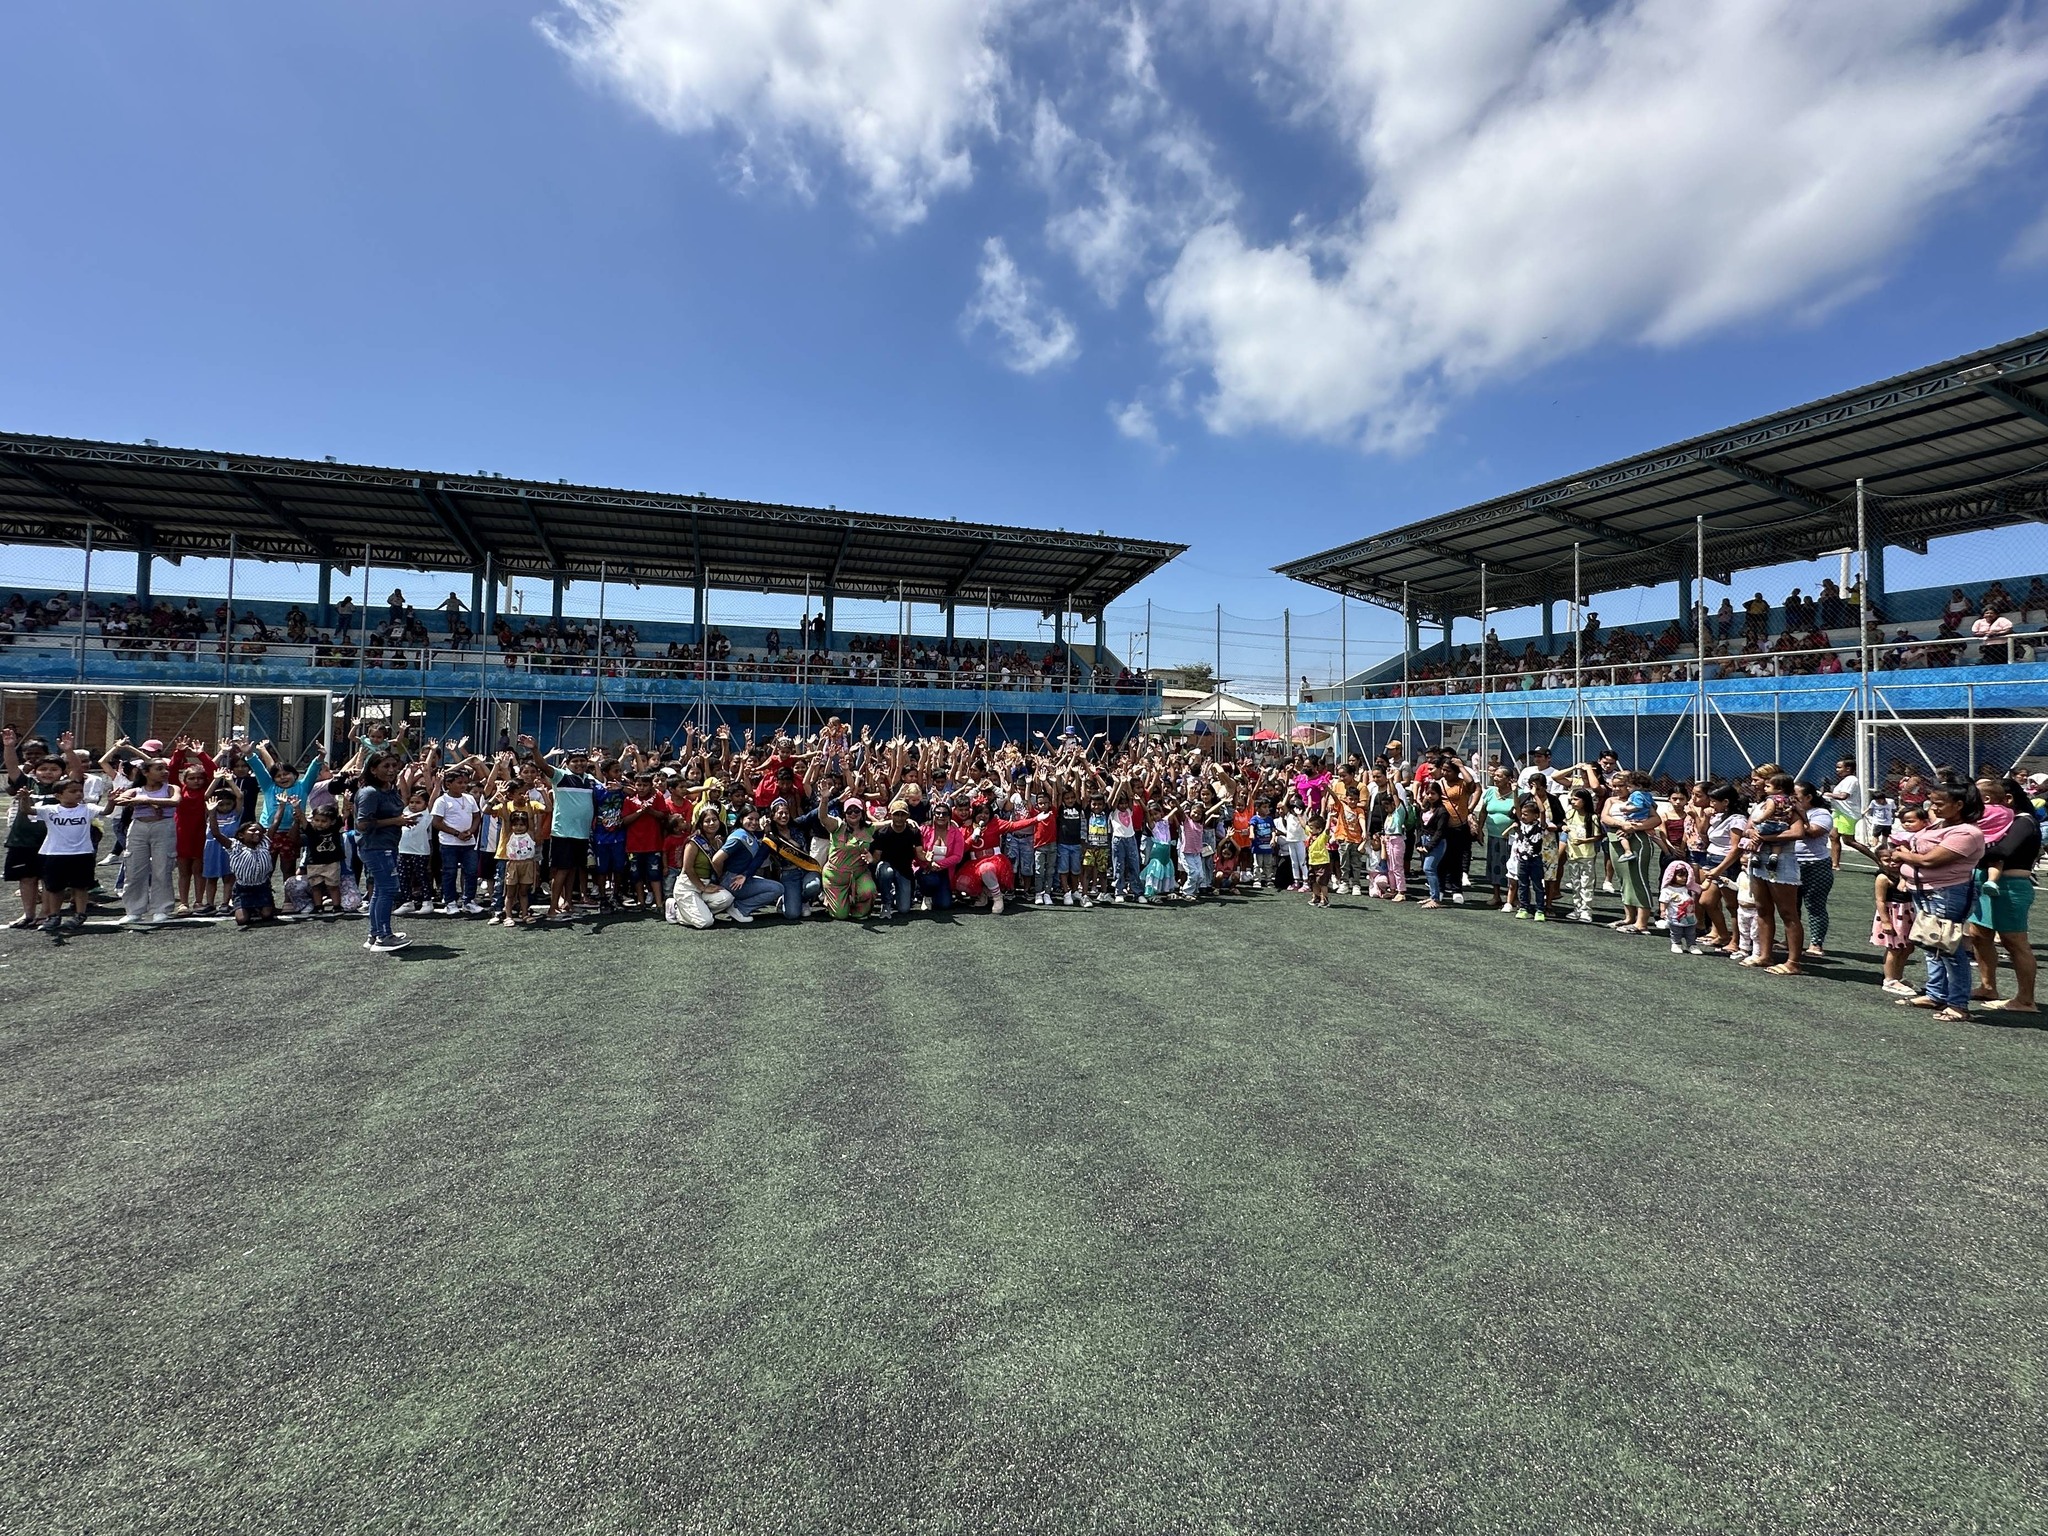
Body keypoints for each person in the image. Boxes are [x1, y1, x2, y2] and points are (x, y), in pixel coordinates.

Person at [1882, 782, 1985, 1023]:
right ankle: (1936, 994)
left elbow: (1930, 860)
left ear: (1959, 805)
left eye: (1939, 803)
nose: (1933, 807)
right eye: (1932, 803)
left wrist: (1902, 855)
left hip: (1946, 893)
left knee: (1948, 948)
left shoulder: (1967, 833)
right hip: (1924, 891)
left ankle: (1958, 1004)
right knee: (1931, 944)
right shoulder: (1940, 825)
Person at [1968, 774, 2038, 1015]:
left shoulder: (2024, 821)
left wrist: (1964, 848)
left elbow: (2003, 850)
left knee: (2014, 941)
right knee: (1978, 934)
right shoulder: (1989, 821)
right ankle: (1988, 987)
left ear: (2007, 798)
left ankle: (2025, 1000)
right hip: (1984, 883)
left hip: (2010, 886)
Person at [18, 775, 94, 937]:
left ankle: (80, 914)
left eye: (80, 791)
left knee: (80, 886)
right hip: (54, 854)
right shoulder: (50, 810)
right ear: (58, 795)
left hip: (82, 853)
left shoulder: (87, 809)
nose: (78, 794)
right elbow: (27, 810)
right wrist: (24, 799)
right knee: (54, 887)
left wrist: (112, 801)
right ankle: (53, 916)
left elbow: (107, 811)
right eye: (73, 791)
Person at [353, 751, 414, 952]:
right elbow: (362, 824)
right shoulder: (370, 793)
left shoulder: (388, 789)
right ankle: (383, 937)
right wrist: (396, 821)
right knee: (387, 889)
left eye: (394, 766)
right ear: (373, 769)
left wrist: (402, 820)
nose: (391, 770)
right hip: (376, 848)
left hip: (387, 845)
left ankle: (375, 933)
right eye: (385, 766)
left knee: (380, 890)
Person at [430, 766, 485, 915]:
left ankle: (468, 901)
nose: (463, 785)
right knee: (450, 872)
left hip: (469, 842)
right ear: (448, 784)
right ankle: (450, 902)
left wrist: (471, 831)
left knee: (471, 872)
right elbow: (436, 822)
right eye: (459, 782)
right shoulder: (442, 800)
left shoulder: (469, 798)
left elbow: (477, 816)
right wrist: (456, 833)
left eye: (465, 782)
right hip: (449, 843)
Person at [210, 806, 278, 927]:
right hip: (243, 889)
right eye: (252, 830)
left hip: (262, 887)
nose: (257, 833)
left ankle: (260, 906)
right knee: (242, 920)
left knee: (267, 915)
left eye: (259, 831)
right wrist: (212, 812)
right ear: (241, 835)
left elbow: (275, 823)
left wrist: (282, 806)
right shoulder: (235, 847)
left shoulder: (264, 844)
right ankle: (243, 907)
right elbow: (216, 833)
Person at [818, 797, 878, 920]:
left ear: (862, 812)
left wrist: (907, 820)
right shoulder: (838, 826)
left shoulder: (869, 828)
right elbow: (823, 818)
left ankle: (857, 910)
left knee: (869, 891)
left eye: (856, 810)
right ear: (844, 813)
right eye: (849, 811)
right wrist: (824, 799)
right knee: (840, 915)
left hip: (859, 874)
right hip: (835, 877)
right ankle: (831, 900)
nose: (853, 813)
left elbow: (890, 823)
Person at [1660, 860, 1703, 954]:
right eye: (1680, 876)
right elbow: (1664, 901)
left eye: (1686, 876)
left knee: (1691, 933)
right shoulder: (1667, 890)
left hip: (1690, 917)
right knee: (1676, 932)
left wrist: (1709, 879)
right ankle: (1676, 944)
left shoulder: (1688, 887)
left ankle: (1692, 945)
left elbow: (1702, 888)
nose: (1684, 878)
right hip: (1675, 917)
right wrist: (1663, 911)